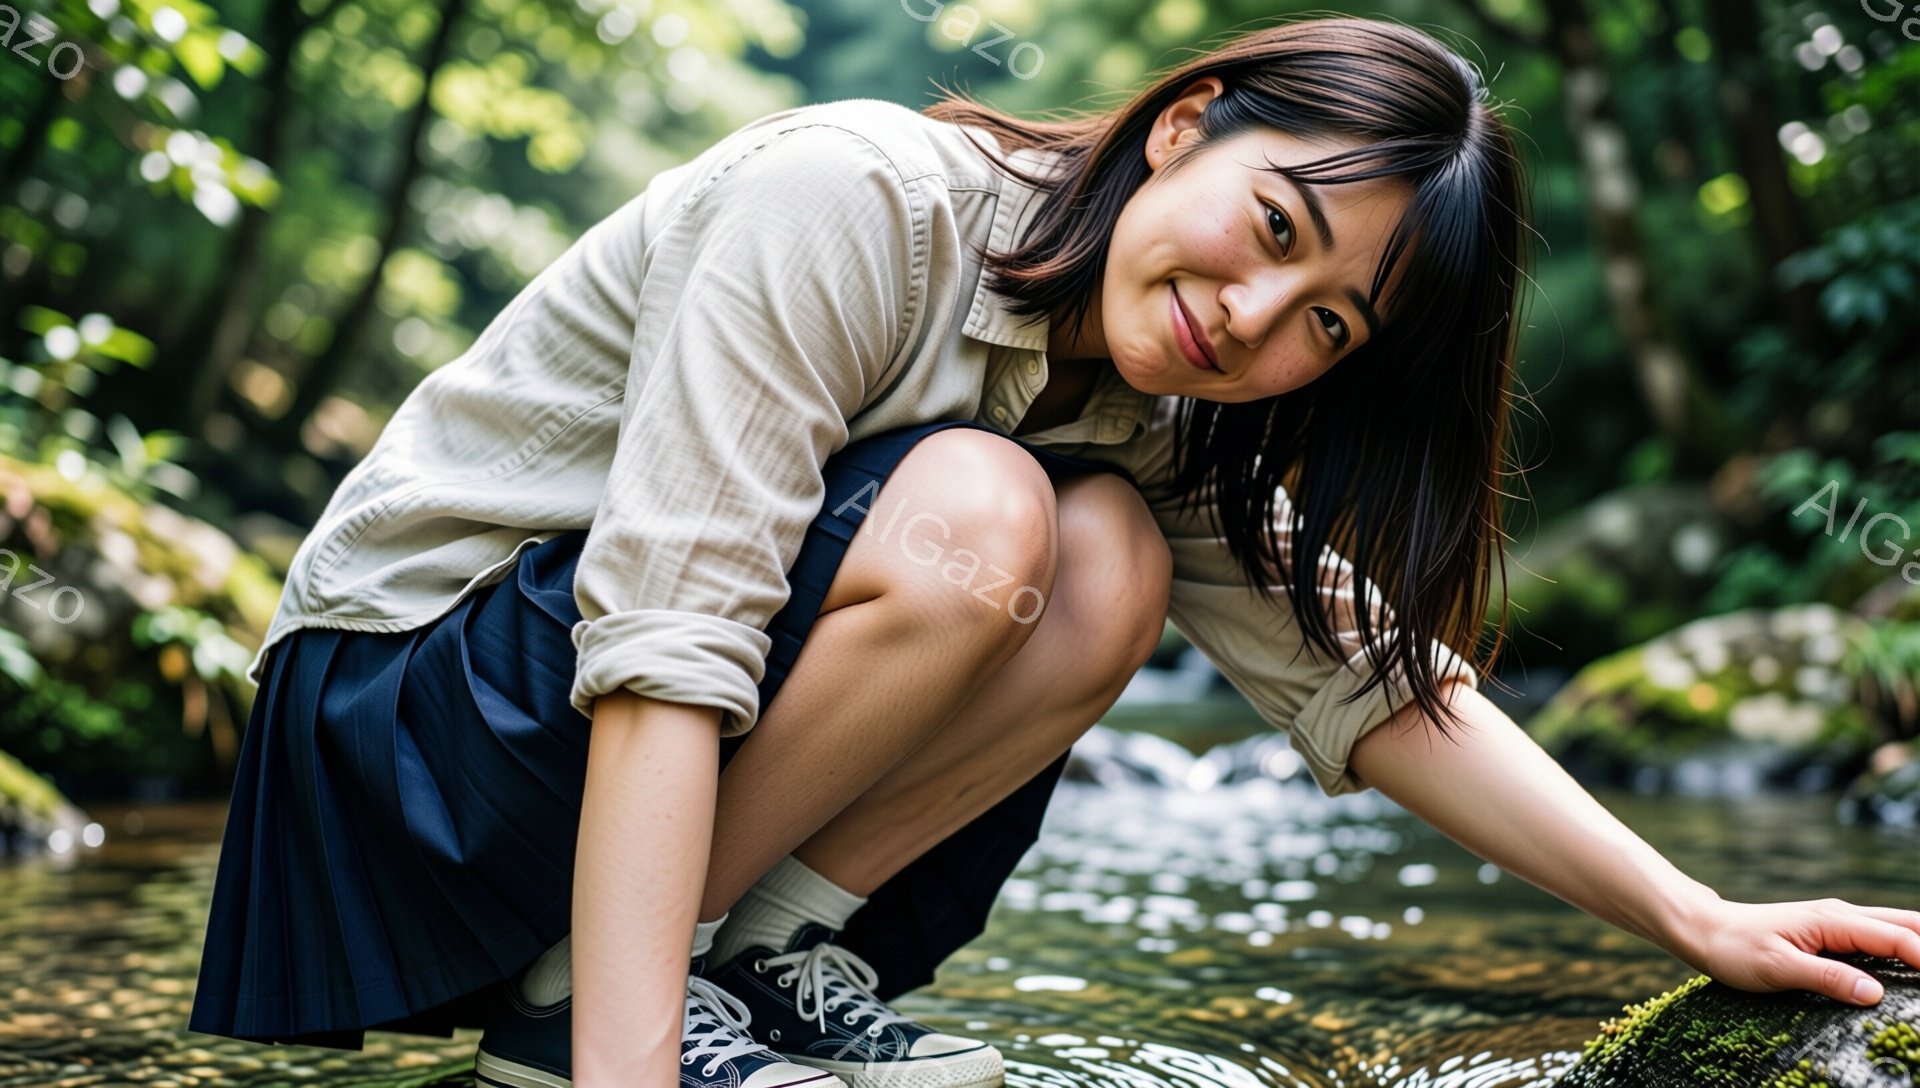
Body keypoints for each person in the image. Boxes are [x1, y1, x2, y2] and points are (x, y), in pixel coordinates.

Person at [186, 15, 1920, 1088]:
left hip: (598, 804)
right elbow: (668, 634)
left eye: (1328, 326)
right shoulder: (857, 202)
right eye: (1271, 233)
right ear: (1187, 125)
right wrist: (613, 1070)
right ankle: (606, 1016)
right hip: (401, 731)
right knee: (995, 518)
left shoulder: (1160, 412)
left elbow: (1375, 684)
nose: (1253, 322)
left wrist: (1702, 918)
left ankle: (762, 969)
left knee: (1109, 558)